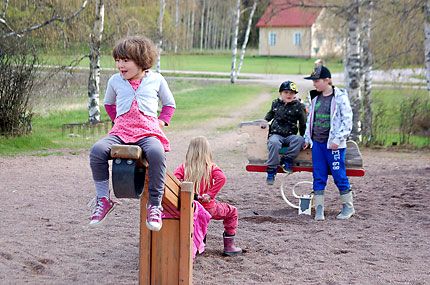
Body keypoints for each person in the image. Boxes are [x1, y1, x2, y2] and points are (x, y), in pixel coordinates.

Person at [88, 36, 176, 231]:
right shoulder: (115, 81)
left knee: (156, 152)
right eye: (117, 60)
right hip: (121, 131)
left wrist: (161, 122)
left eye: (125, 60)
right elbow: (109, 103)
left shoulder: (156, 80)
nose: (120, 65)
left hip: (147, 131)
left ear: (141, 60)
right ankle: (103, 199)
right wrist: (117, 120)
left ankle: (154, 204)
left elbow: (169, 104)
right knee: (97, 150)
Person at [173, 136, 242, 256]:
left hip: (189, 207)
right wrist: (210, 195)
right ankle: (229, 246)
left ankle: (199, 242)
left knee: (195, 218)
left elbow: (175, 180)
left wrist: (191, 194)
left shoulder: (184, 167)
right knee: (232, 212)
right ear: (207, 151)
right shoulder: (211, 167)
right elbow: (222, 178)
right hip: (207, 207)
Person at [303, 65, 354, 221]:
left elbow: (347, 121)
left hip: (334, 146)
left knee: (339, 175)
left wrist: (338, 140)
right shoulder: (315, 98)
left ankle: (348, 207)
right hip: (317, 144)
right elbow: (310, 121)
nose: (314, 84)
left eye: (317, 81)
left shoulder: (340, 98)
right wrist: (307, 138)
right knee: (318, 176)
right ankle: (319, 209)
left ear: (327, 80)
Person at [263, 80, 306, 185]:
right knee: (273, 143)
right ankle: (272, 169)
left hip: (290, 135)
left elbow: (302, 123)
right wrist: (264, 122)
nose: (288, 95)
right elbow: (270, 114)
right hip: (276, 134)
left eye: (291, 93)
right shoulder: (276, 103)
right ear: (280, 93)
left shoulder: (299, 106)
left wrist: (304, 137)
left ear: (295, 95)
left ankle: (287, 159)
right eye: (286, 92)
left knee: (299, 140)